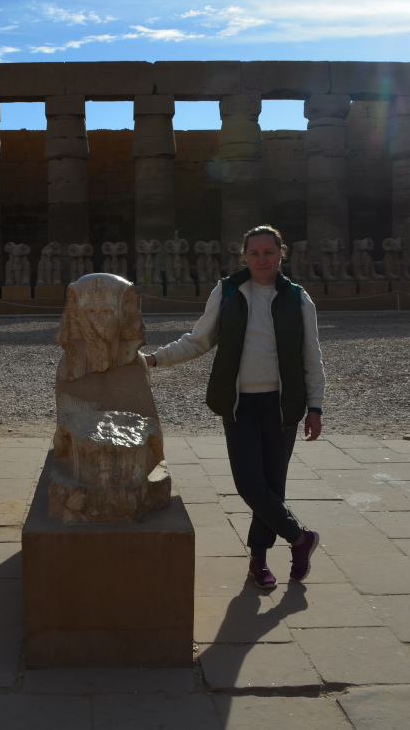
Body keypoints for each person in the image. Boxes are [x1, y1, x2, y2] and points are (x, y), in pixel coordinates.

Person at [145, 224, 325, 589]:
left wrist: (315, 407)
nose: (262, 259)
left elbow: (311, 356)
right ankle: (299, 537)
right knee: (249, 484)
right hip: (240, 404)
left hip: (282, 404)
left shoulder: (298, 298)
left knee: (272, 486)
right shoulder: (228, 291)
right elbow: (200, 339)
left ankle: (258, 561)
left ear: (281, 254)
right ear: (244, 256)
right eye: (255, 253)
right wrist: (153, 360)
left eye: (269, 252)